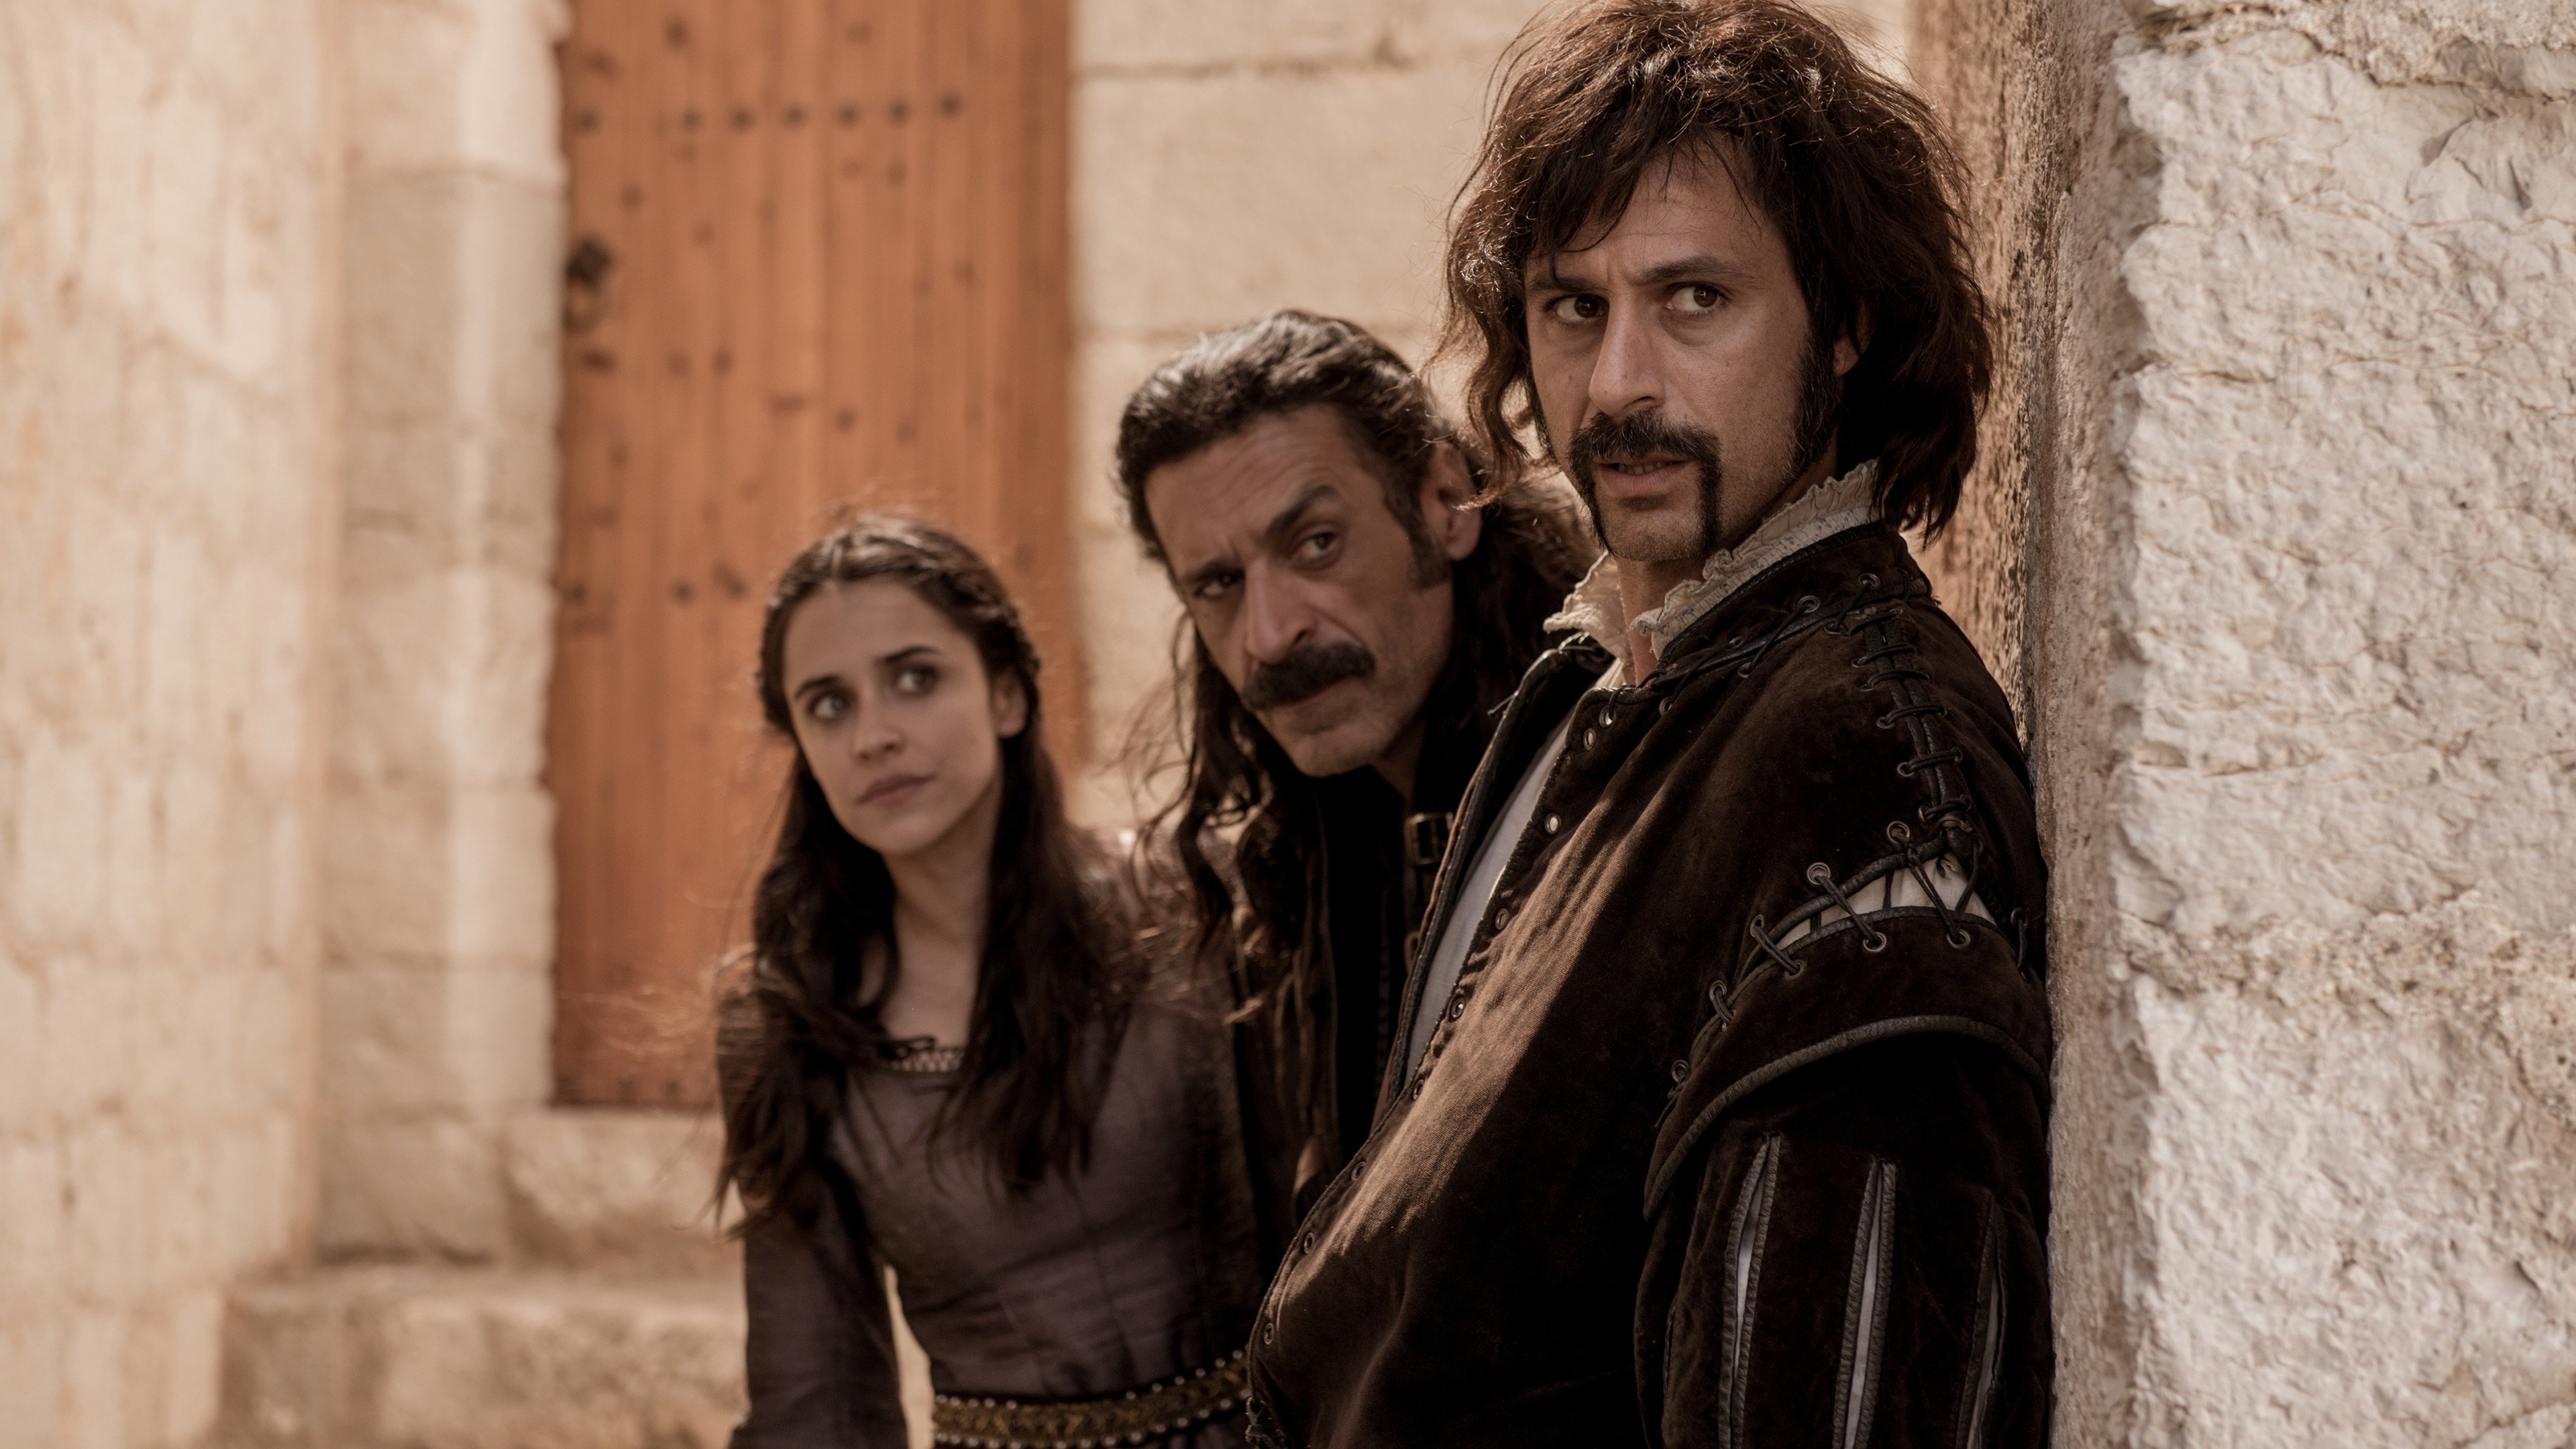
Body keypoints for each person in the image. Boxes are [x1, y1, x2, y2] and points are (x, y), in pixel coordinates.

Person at [1248, 3, 2054, 1446]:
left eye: (1695, 299)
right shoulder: (1598, 677)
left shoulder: (1862, 762)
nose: (1619, 382)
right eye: (1574, 307)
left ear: (1847, 325)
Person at [716, 517, 1264, 1449]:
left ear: (1006, 693)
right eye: (829, 704)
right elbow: (819, 1400)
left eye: (915, 679)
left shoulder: (1196, 902)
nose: (874, 736)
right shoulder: (791, 1027)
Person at [1114, 311, 1593, 1244]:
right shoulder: (1308, 839)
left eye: (1315, 544)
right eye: (1217, 584)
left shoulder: (1596, 798)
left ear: (1446, 503)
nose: (1269, 635)